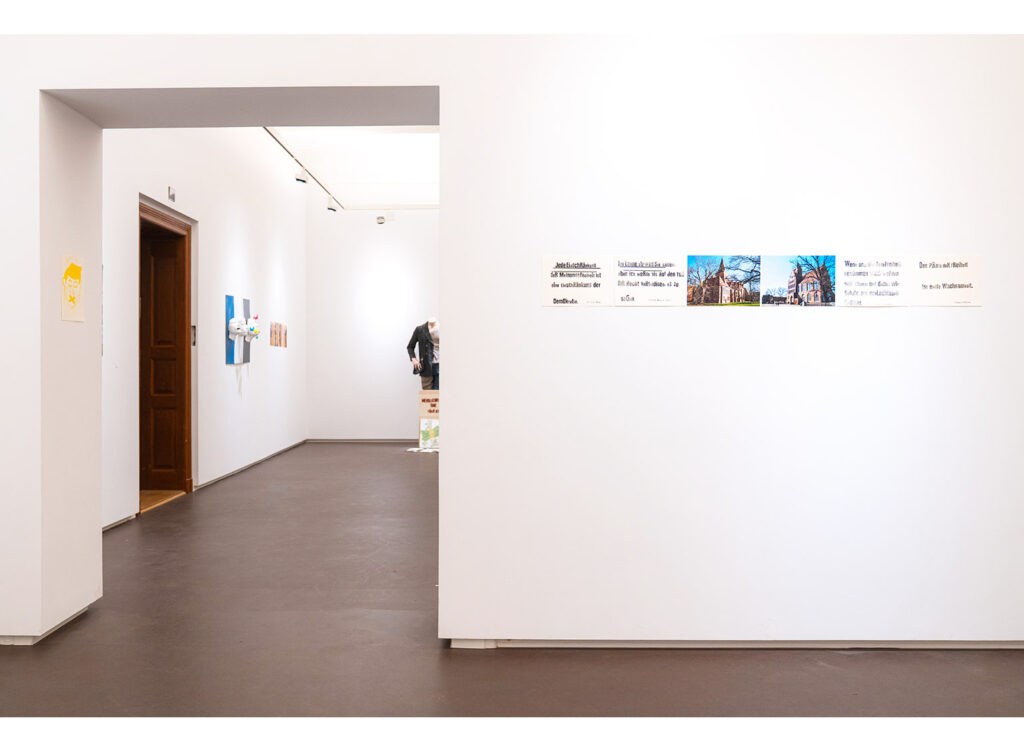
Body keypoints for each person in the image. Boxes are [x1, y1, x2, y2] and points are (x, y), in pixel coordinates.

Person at [407, 318, 439, 390]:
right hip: (426, 366)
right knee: (427, 394)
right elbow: (410, 347)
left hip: (441, 365)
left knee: (441, 394)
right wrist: (414, 359)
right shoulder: (420, 329)